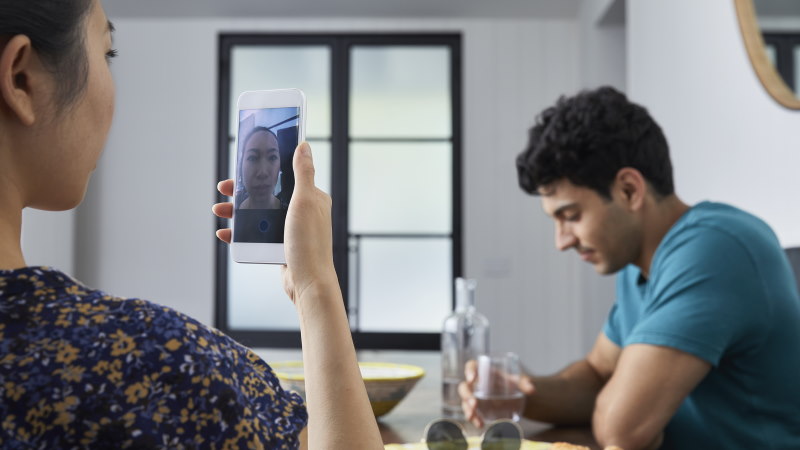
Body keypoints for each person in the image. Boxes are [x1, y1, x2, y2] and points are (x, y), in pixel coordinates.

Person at [0, 1, 383, 448]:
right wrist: (315, 283)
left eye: (270, 156)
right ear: (21, 79)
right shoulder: (163, 365)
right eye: (107, 53)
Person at [459, 87, 800, 449]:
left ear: (628, 190)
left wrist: (618, 398)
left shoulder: (716, 251)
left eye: (571, 216)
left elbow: (622, 430)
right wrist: (520, 392)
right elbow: (596, 374)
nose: (562, 241)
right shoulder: (639, 264)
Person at [238, 126, 287, 210]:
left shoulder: (290, 212)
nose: (263, 173)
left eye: (272, 157)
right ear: (241, 165)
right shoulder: (235, 205)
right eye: (252, 158)